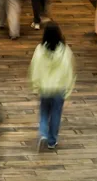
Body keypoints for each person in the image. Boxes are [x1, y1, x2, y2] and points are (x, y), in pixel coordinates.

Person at [28, 22, 76, 151]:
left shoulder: (40, 49)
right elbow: (69, 70)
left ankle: (43, 133)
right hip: (59, 89)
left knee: (44, 113)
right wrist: (68, 89)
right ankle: (52, 141)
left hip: (45, 88)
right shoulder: (65, 50)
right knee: (55, 115)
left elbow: (35, 67)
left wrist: (35, 86)